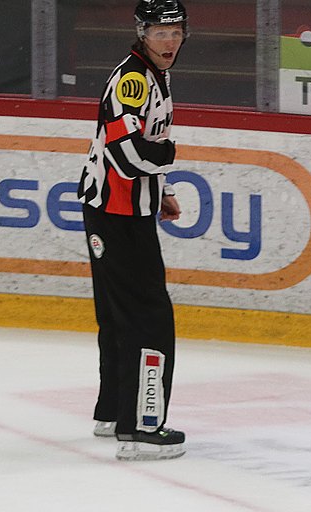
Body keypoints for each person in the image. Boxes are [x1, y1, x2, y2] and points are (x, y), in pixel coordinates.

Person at [77, 0, 188, 460]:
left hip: (122, 210)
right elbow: (127, 153)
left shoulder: (152, 75)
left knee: (119, 313)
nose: (169, 41)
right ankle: (142, 427)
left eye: (176, 31)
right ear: (142, 33)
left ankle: (113, 412)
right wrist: (169, 159)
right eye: (160, 33)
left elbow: (136, 149)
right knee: (149, 318)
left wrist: (159, 189)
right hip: (118, 215)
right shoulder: (133, 78)